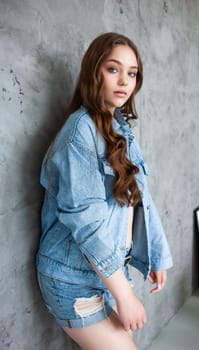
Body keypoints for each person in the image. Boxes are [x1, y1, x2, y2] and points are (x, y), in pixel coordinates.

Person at [36, 32, 173, 350]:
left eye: (132, 72)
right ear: (93, 71)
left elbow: (142, 195)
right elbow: (87, 222)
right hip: (71, 278)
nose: (124, 80)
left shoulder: (118, 126)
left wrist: (157, 256)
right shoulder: (79, 132)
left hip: (103, 271)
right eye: (113, 69)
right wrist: (125, 296)